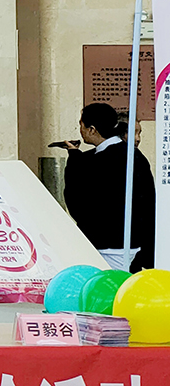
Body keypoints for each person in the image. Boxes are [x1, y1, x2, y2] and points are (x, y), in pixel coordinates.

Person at [63, 102, 155, 271]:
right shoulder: (134, 155)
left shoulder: (98, 162)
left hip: (106, 246)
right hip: (134, 244)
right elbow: (149, 202)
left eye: (81, 125)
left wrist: (74, 158)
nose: (80, 131)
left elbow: (76, 201)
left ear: (92, 129)